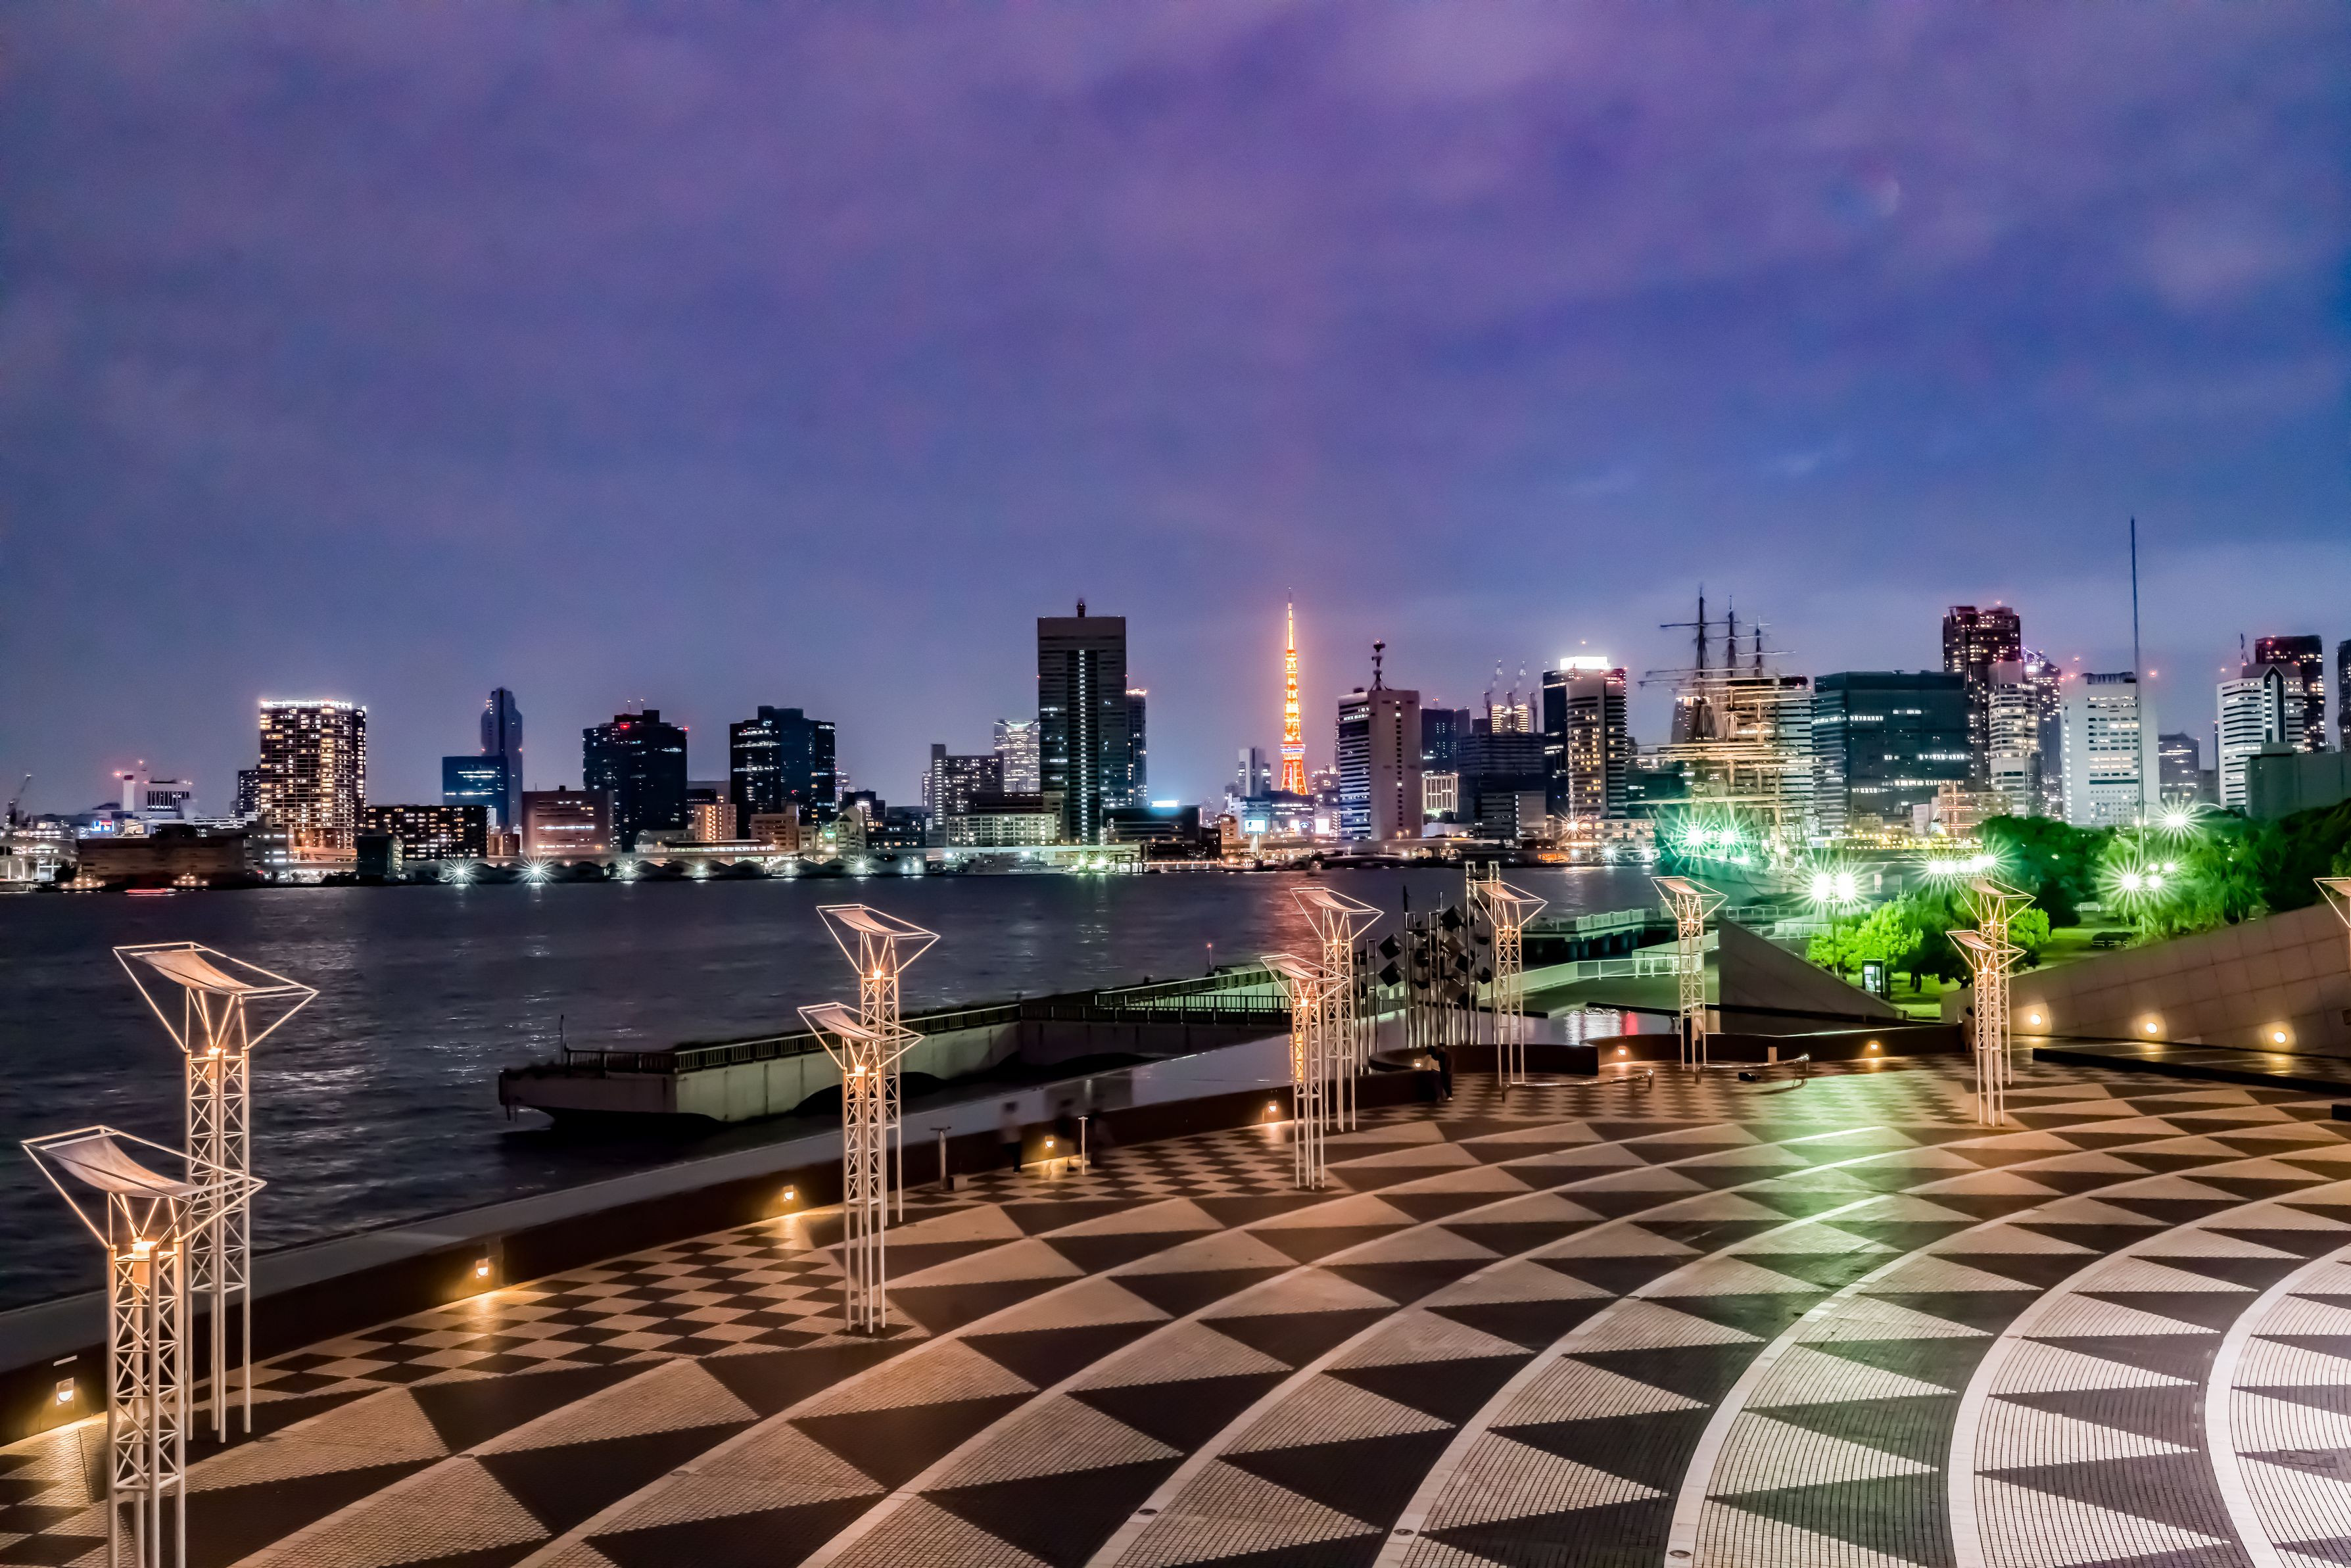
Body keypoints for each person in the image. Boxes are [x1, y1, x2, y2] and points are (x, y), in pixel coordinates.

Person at [997, 1100, 1022, 1170]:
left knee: (1015, 1155)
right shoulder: (1012, 1118)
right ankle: (1017, 1169)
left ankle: (1016, 1168)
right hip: (1015, 1139)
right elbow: (1017, 1127)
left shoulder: (1004, 1118)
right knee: (1017, 1155)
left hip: (1008, 1140)